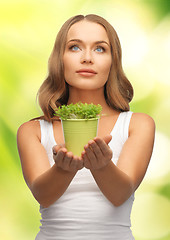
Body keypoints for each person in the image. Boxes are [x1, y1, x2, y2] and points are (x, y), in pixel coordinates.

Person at [17, 14, 155, 240]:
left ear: (113, 61)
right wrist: (64, 169)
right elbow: (43, 196)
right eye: (74, 48)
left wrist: (101, 166)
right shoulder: (32, 131)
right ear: (59, 59)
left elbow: (120, 194)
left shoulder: (136, 125)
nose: (87, 58)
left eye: (100, 49)